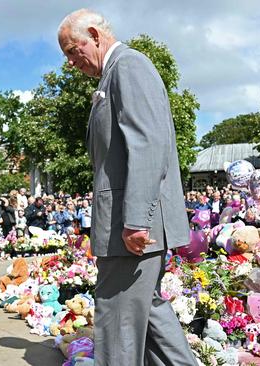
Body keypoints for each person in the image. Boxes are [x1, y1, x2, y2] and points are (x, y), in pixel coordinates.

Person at [58, 9, 196, 365]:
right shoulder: (112, 75)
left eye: (73, 50)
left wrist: (137, 220)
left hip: (130, 225)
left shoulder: (128, 66)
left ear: (94, 34)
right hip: (126, 222)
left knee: (117, 316)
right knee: (145, 312)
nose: (72, 62)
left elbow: (148, 144)